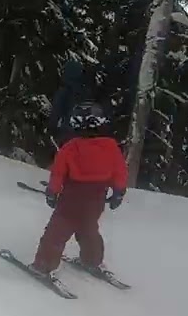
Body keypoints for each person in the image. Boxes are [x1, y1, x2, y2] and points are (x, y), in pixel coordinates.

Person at [30, 103, 128, 279]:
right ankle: (92, 260)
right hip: (96, 200)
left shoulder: (70, 148)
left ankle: (43, 264)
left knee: (57, 231)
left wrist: (52, 192)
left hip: (72, 199)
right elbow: (120, 171)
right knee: (88, 229)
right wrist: (118, 192)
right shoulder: (111, 148)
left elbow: (58, 173)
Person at [49, 59, 86, 147]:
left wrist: (52, 128)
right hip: (83, 134)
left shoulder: (64, 91)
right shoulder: (84, 91)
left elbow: (56, 111)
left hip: (66, 133)